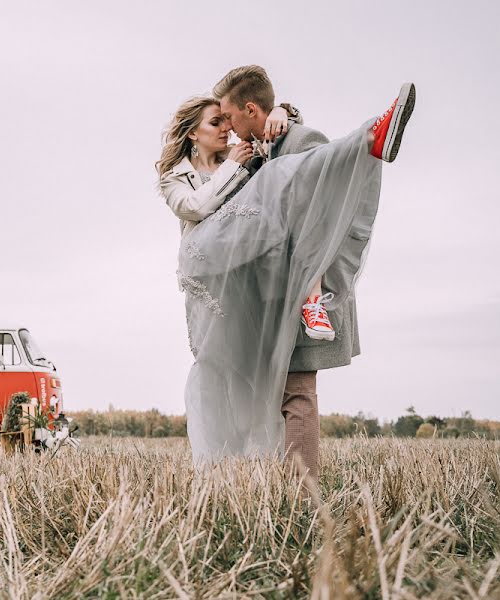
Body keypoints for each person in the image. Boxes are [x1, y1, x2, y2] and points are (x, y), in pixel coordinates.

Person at [157, 68, 415, 479]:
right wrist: (241, 160)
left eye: (228, 119)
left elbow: (297, 188)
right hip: (217, 282)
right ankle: (236, 472)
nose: (228, 129)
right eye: (216, 122)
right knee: (229, 382)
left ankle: (370, 139)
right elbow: (194, 208)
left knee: (283, 389)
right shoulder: (186, 175)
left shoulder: (256, 150)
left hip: (265, 283)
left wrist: (283, 111)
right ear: (193, 133)